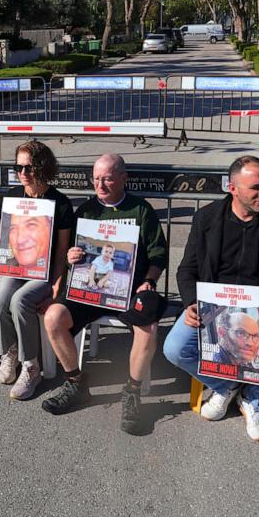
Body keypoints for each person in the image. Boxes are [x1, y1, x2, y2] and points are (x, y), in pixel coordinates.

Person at [163, 155, 259, 442]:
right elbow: (187, 270)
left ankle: (254, 400)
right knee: (175, 348)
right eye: (255, 188)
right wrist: (191, 303)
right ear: (233, 188)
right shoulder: (206, 218)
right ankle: (225, 385)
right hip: (214, 312)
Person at [42, 153, 168, 435]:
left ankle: (132, 392)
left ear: (124, 178)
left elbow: (159, 254)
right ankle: (76, 383)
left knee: (148, 323)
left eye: (107, 178)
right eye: (96, 178)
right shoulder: (85, 212)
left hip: (128, 290)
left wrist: (148, 280)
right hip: (90, 289)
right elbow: (70, 251)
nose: (100, 184)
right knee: (53, 317)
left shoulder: (141, 210)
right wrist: (71, 256)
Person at [0, 140, 73, 401]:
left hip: (43, 274)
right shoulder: (12, 196)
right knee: (0, 299)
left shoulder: (61, 203)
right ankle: (9, 353)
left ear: (42, 167)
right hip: (14, 268)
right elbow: (1, 242)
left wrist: (56, 288)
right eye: (18, 167)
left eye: (28, 167)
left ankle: (31, 366)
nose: (23, 173)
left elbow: (60, 252)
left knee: (20, 300)